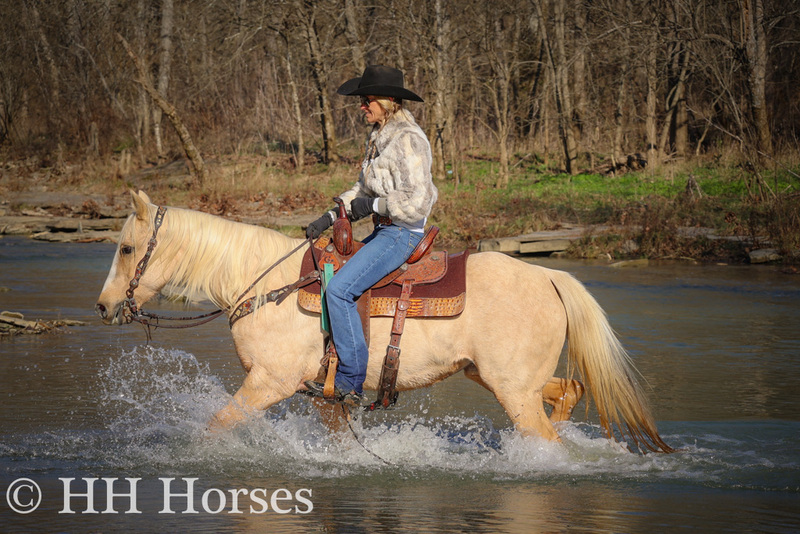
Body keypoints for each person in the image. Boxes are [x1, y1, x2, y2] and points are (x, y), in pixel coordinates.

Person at [304, 65, 438, 405]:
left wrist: (374, 206)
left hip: (401, 234)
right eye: (362, 101)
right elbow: (361, 190)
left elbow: (418, 201)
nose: (362, 106)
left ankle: (350, 381)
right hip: (384, 230)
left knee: (339, 291)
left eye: (367, 100)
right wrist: (332, 215)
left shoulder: (408, 139)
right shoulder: (379, 136)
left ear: (389, 101)